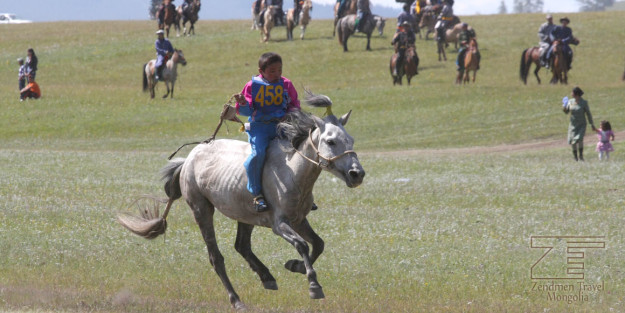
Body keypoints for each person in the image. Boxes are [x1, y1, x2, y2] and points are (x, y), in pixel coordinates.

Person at [234, 52, 301, 212]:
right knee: (258, 155)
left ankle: (301, 193)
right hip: (260, 128)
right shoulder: (252, 86)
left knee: (301, 151)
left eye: (279, 70)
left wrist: (291, 114)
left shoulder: (286, 84)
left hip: (283, 127)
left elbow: (294, 104)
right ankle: (256, 194)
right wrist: (243, 103)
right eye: (272, 71)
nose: (277, 74)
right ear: (261, 71)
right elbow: (245, 110)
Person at [562, 87, 595, 161]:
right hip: (573, 125)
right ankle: (575, 157)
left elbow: (588, 114)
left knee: (579, 139)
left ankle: (581, 156)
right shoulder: (570, 101)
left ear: (576, 93)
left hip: (581, 124)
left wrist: (591, 124)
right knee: (573, 141)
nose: (571, 93)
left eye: (572, 92)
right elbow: (566, 112)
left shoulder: (584, 103)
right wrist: (564, 106)